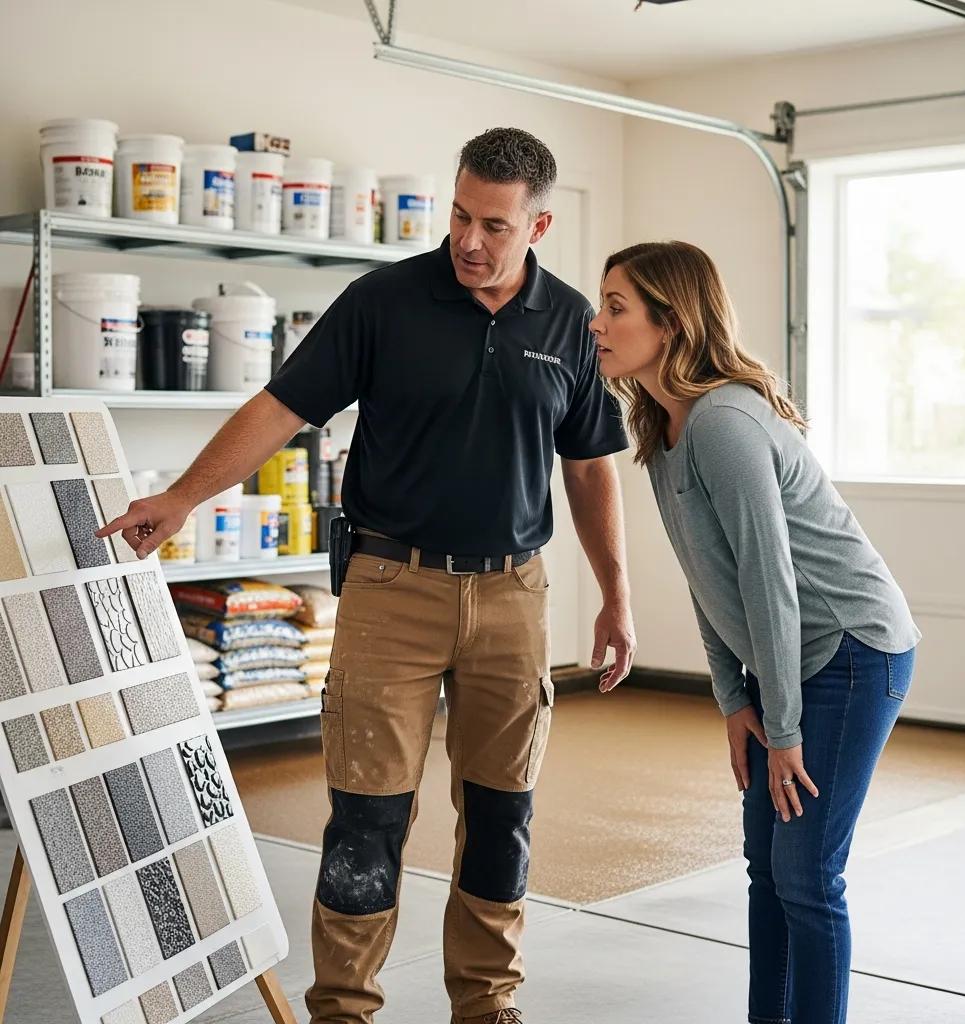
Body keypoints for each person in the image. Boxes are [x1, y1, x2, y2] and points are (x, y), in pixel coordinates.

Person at [99, 127, 636, 1024]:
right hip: (394, 591)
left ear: (537, 226)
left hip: (513, 597)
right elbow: (282, 408)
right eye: (460, 215)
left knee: (503, 816)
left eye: (494, 226)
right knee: (366, 821)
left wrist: (616, 594)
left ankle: (487, 1003)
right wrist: (186, 495)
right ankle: (343, 1010)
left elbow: (588, 466)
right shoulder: (383, 303)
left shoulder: (571, 325)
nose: (469, 240)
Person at [589, 240, 920, 1024]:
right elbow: (713, 580)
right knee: (766, 870)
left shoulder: (724, 426)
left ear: (669, 323)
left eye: (615, 307)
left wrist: (785, 728)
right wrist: (735, 701)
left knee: (807, 875)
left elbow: (769, 582)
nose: (596, 322)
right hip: (790, 657)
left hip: (850, 648)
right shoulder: (663, 432)